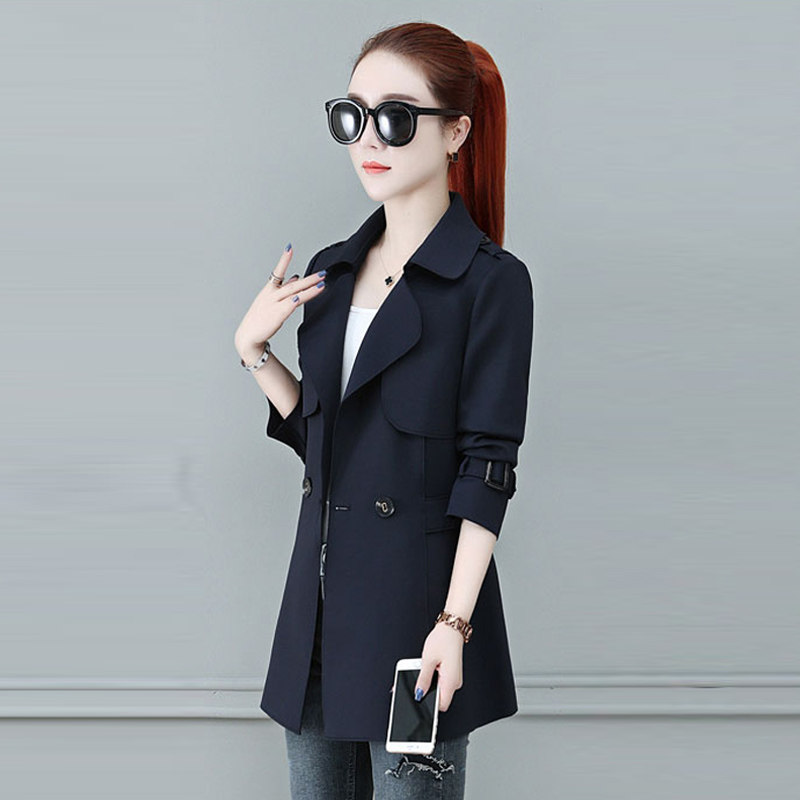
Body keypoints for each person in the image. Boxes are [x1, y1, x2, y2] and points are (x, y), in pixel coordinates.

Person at [234, 21, 534, 800]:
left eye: (396, 117)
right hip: (317, 619)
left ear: (456, 132)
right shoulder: (330, 275)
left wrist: (454, 625)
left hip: (416, 619)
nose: (369, 138)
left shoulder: (490, 282)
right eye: (352, 115)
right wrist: (255, 352)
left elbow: (487, 468)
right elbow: (329, 443)